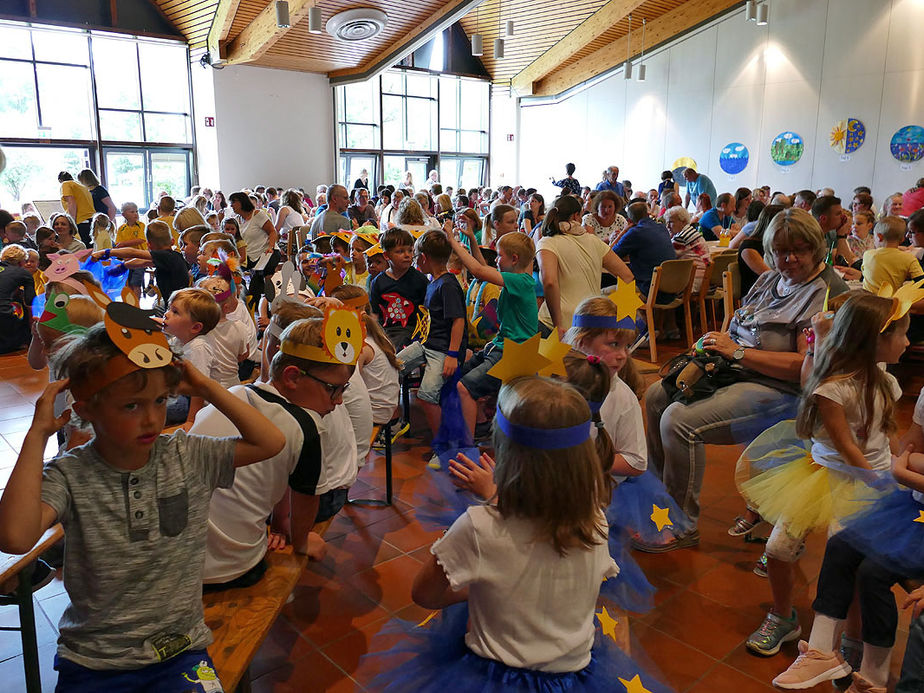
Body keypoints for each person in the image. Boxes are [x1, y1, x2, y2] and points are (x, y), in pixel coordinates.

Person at [0, 320, 285, 690]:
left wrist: (207, 387)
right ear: (86, 410)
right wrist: (38, 434)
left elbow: (270, 442)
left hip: (181, 651)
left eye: (160, 400)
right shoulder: (70, 474)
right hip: (93, 660)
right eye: (132, 405)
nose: (152, 418)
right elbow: (15, 537)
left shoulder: (187, 454)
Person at [367, 376, 657, 693]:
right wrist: (495, 498)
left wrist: (482, 588)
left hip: (493, 679)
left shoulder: (478, 526)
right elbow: (543, 562)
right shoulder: (595, 522)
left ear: (505, 454)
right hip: (574, 678)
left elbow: (425, 594)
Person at [641, 208, 849, 553]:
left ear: (816, 247)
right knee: (654, 397)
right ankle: (658, 506)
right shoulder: (771, 279)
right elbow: (741, 324)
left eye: (798, 250)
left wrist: (736, 352)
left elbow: (806, 368)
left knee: (679, 421)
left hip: (782, 388)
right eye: (781, 251)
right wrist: (716, 343)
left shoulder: (824, 292)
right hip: (735, 372)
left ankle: (681, 524)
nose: (789, 259)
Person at [737, 292, 909, 663]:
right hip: (828, 476)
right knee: (778, 549)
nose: (908, 342)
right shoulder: (832, 388)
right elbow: (847, 445)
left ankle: (853, 635)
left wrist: (898, 464)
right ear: (873, 340)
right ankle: (784, 616)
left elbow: (887, 430)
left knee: (853, 562)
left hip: (871, 479)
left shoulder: (887, 382)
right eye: (901, 335)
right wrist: (877, 478)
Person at [196, 313, 361, 586]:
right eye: (333, 389)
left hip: (178, 557)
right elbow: (306, 498)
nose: (340, 400)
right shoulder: (307, 428)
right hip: (229, 568)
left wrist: (279, 523)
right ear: (293, 377)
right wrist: (301, 541)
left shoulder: (235, 394)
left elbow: (283, 470)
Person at [448, 227, 538, 437]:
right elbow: (483, 267)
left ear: (514, 259)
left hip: (514, 353)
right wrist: (470, 238)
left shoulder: (521, 282)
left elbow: (479, 271)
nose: (496, 260)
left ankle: (466, 447)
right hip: (502, 347)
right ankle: (479, 422)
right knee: (460, 374)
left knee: (464, 388)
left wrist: (453, 243)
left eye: (499, 256)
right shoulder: (515, 278)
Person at [395, 230, 468, 466]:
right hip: (426, 343)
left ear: (424, 258)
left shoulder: (447, 285)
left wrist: (452, 355)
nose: (414, 260)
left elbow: (458, 321)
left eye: (416, 256)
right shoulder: (434, 282)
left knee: (426, 395)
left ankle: (443, 446)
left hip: (441, 349)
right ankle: (394, 420)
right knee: (392, 366)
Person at [537, 195, 633, 335]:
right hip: (591, 322)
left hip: (554, 324)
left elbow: (549, 282)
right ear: (576, 216)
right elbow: (628, 277)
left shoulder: (547, 242)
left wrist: (558, 325)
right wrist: (618, 312)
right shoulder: (594, 241)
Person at [161, 287, 222, 429]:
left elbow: (200, 389)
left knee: (157, 406)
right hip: (183, 392)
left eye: (175, 312)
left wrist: (192, 421)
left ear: (195, 327)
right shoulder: (177, 339)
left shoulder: (198, 347)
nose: (166, 314)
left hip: (196, 403)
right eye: (169, 309)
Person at [95, 221, 189, 305]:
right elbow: (143, 262)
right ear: (172, 241)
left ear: (149, 245)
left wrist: (105, 252)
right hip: (177, 302)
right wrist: (124, 266)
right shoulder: (174, 256)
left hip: (178, 305)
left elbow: (134, 253)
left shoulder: (166, 256)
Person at [369, 227, 429, 351]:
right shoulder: (378, 282)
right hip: (386, 331)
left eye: (410, 250)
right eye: (400, 251)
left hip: (412, 332)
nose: (407, 255)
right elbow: (374, 314)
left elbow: (427, 313)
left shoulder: (420, 280)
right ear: (386, 255)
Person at [611, 201, 676, 298]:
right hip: (672, 290)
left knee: (604, 293)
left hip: (649, 290)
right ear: (647, 213)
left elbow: (611, 255)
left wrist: (624, 231)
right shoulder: (662, 227)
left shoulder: (635, 232)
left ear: (630, 220)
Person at [231, 191, 279, 310]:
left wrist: (270, 246)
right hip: (248, 256)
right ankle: (241, 299)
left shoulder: (258, 215)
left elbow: (272, 232)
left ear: (241, 202)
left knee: (262, 273)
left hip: (266, 252)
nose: (231, 205)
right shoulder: (236, 220)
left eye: (233, 202)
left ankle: (261, 304)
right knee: (232, 271)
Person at [862, 216, 924, 292]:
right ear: (902, 239)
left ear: (879, 237)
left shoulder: (868, 254)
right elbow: (921, 282)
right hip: (891, 301)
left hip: (866, 300)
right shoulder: (909, 258)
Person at [736, 204, 781, 295]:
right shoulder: (748, 248)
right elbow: (769, 277)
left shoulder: (775, 244)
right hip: (757, 296)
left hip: (774, 291)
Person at [664, 206, 711, 292]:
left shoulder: (681, 237)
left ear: (683, 221)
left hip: (693, 281)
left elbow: (666, 257)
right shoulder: (692, 232)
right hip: (706, 279)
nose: (667, 226)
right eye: (667, 223)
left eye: (671, 222)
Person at [0, 244, 35, 354]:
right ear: (21, 262)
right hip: (4, 314)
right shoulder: (23, 273)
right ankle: (20, 340)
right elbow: (30, 301)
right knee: (19, 303)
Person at [116, 202, 147, 299]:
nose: (135, 214)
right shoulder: (121, 228)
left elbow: (141, 239)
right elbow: (118, 244)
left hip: (139, 259)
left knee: (136, 283)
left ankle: (137, 303)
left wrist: (125, 244)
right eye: (132, 212)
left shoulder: (141, 225)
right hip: (127, 260)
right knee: (127, 283)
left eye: (137, 211)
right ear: (124, 214)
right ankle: (129, 303)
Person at [57, 172, 95, 247]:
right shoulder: (81, 186)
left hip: (80, 220)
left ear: (60, 180)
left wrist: (71, 222)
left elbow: (71, 202)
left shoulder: (66, 184)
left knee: (82, 250)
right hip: (90, 219)